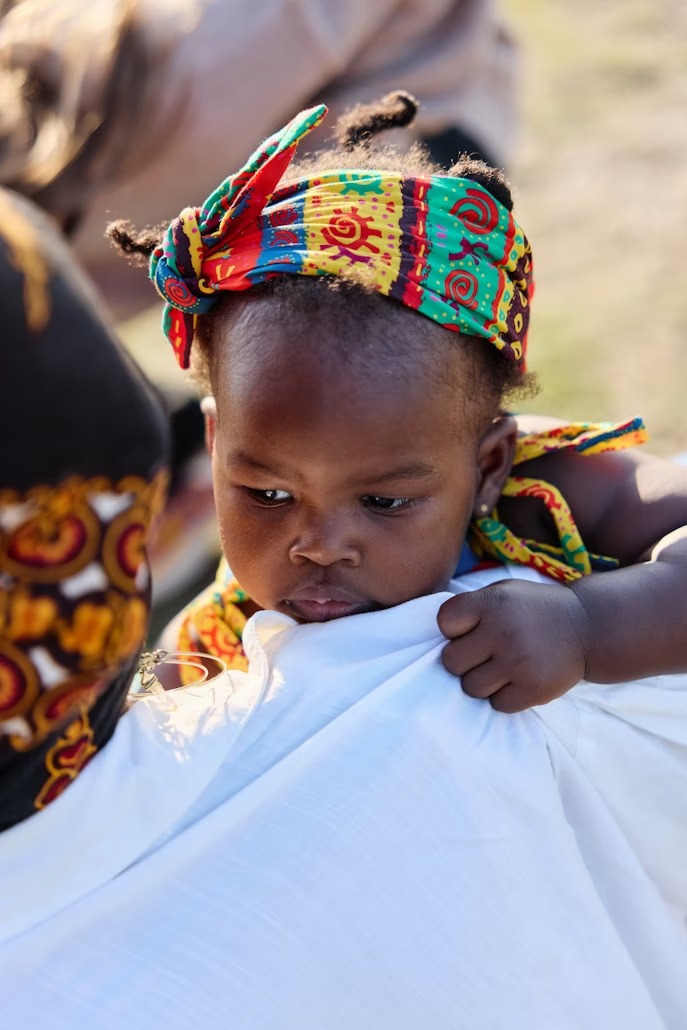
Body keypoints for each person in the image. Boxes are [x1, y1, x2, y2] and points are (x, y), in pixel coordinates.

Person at [109, 93, 687, 711]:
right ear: (215, 444)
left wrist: (585, 627)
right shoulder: (217, 633)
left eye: (383, 501)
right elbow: (148, 715)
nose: (321, 546)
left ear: (488, 465)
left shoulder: (541, 490)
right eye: (269, 494)